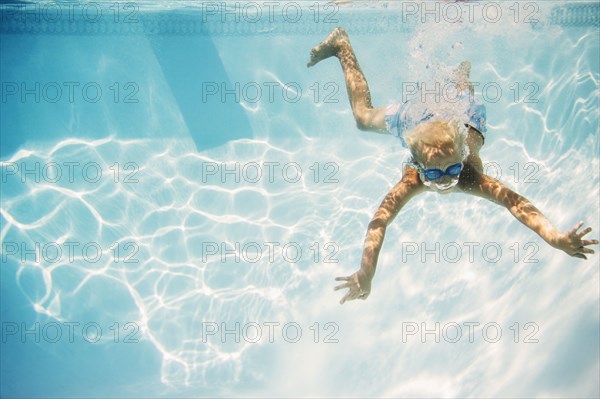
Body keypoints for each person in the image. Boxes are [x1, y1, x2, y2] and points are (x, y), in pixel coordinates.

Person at [307, 27, 598, 304]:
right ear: (416, 165)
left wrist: (555, 237)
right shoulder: (415, 177)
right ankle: (342, 45)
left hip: (464, 116)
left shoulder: (466, 174)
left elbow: (515, 203)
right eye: (434, 173)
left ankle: (461, 75)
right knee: (362, 119)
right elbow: (380, 220)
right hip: (412, 118)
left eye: (451, 169)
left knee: (463, 96)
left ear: (460, 159)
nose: (446, 180)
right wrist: (366, 272)